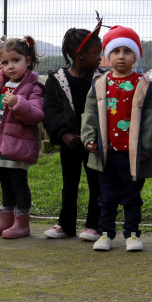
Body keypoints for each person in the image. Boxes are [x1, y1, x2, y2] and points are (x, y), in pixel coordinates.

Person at [80, 25, 152, 252]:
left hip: (134, 155)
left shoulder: (144, 85)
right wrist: (89, 139)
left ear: (136, 55)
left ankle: (132, 235)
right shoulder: (99, 84)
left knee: (132, 197)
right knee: (106, 197)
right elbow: (89, 114)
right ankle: (105, 234)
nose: (121, 56)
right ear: (107, 55)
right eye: (115, 51)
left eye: (127, 51)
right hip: (106, 154)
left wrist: (147, 149)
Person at [0, 36, 45, 239]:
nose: (10, 66)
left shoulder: (33, 87)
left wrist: (17, 102)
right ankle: (6, 219)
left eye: (16, 60)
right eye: (5, 62)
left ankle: (22, 223)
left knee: (18, 183)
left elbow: (36, 115)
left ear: (28, 61)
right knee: (4, 182)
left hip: (17, 147)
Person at [42, 17, 105, 241]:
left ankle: (94, 225)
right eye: (96, 53)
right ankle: (66, 224)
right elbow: (50, 111)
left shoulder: (102, 79)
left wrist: (95, 137)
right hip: (71, 143)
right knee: (69, 184)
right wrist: (63, 134)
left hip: (94, 144)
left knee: (96, 183)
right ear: (80, 55)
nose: (100, 58)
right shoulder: (56, 79)